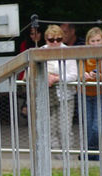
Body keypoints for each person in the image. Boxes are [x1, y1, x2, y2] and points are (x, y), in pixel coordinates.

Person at [42, 25, 77, 153]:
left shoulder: (68, 51)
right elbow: (32, 72)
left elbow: (74, 75)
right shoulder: (40, 51)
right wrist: (47, 77)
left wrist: (57, 78)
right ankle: (57, 158)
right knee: (51, 128)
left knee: (64, 129)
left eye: (59, 39)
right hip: (47, 96)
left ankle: (68, 157)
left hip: (66, 96)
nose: (55, 43)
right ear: (46, 40)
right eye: (52, 40)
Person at [81, 27, 102, 160]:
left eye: (98, 40)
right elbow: (79, 74)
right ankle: (92, 158)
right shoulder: (82, 54)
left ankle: (87, 154)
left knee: (97, 128)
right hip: (84, 94)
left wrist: (99, 76)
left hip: (101, 94)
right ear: (88, 42)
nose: (95, 43)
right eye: (92, 41)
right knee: (88, 128)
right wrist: (85, 76)